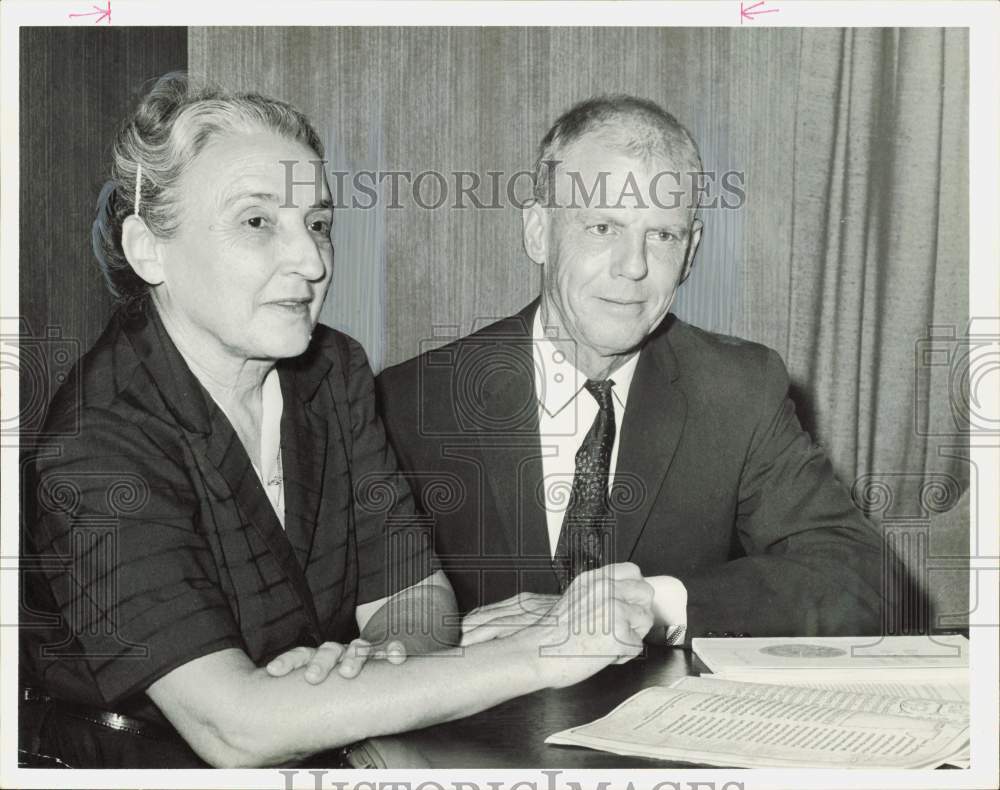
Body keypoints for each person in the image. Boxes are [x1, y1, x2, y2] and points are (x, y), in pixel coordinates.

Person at [18, 75, 654, 769]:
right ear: (148, 248)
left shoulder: (329, 373)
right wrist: (540, 653)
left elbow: (412, 593)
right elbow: (237, 729)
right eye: (257, 222)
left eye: (316, 224)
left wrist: (384, 670)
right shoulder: (94, 443)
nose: (312, 260)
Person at [376, 95, 889, 646]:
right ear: (538, 231)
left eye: (662, 235)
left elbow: (859, 579)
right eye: (602, 228)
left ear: (690, 254)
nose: (634, 266)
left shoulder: (738, 389)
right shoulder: (411, 403)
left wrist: (650, 604)